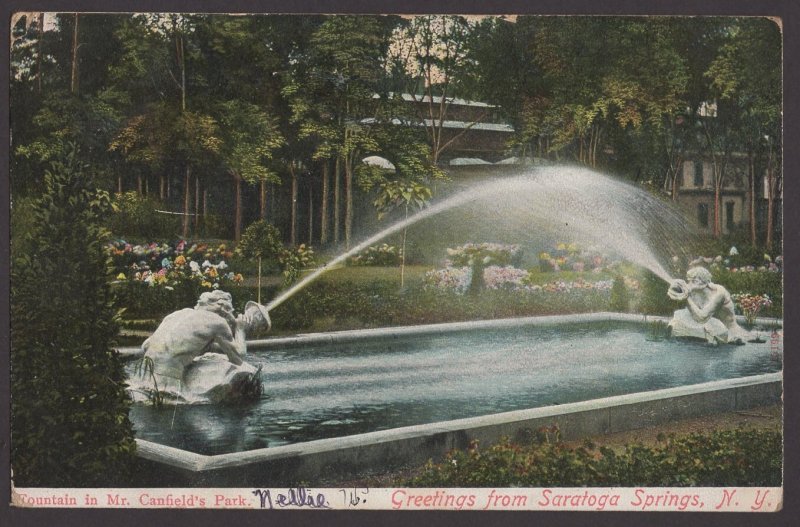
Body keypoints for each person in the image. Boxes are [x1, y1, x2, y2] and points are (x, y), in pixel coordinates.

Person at [140, 290, 270, 395]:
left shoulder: (178, 314)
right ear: (224, 310)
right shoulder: (218, 322)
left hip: (144, 379)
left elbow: (145, 345)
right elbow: (239, 358)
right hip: (168, 385)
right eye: (231, 312)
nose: (232, 317)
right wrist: (240, 330)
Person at [667, 266, 748, 344]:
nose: (690, 284)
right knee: (679, 316)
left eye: (694, 280)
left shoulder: (719, 293)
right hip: (712, 330)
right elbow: (691, 312)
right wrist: (677, 288)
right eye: (689, 280)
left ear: (704, 282)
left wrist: (686, 298)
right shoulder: (695, 292)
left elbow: (702, 318)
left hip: (730, 334)